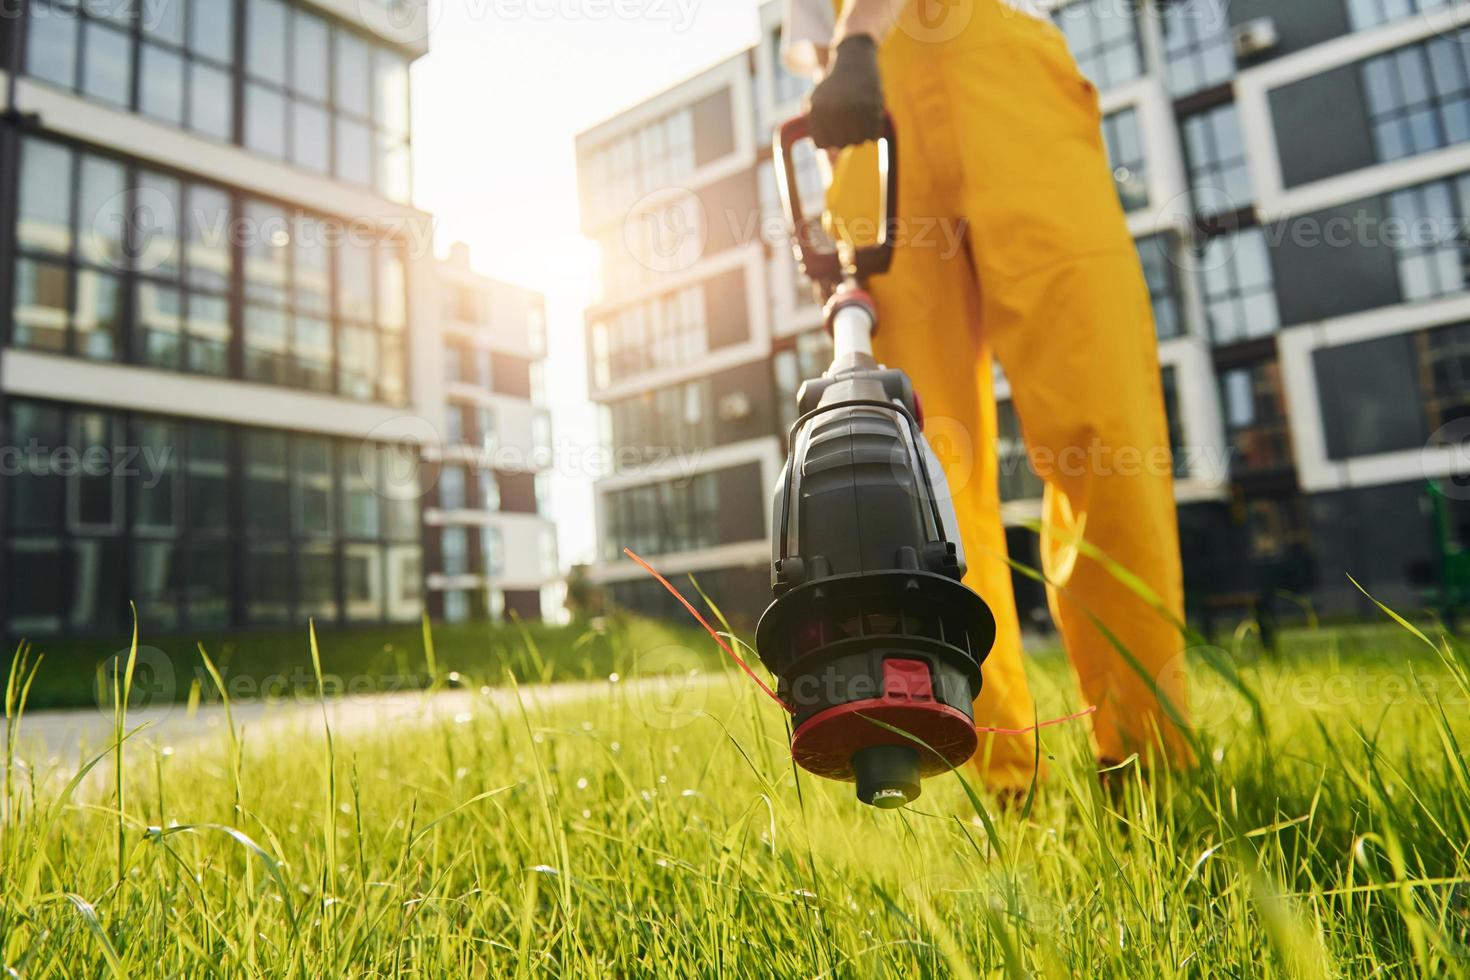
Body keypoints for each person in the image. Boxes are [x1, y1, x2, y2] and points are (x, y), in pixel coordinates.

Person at [785, 0, 1193, 789]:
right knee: (927, 471)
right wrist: (841, 77)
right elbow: (808, 39)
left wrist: (860, 35)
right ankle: (1000, 767)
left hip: (1002, 70)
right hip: (870, 117)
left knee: (1101, 424)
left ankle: (1146, 758)